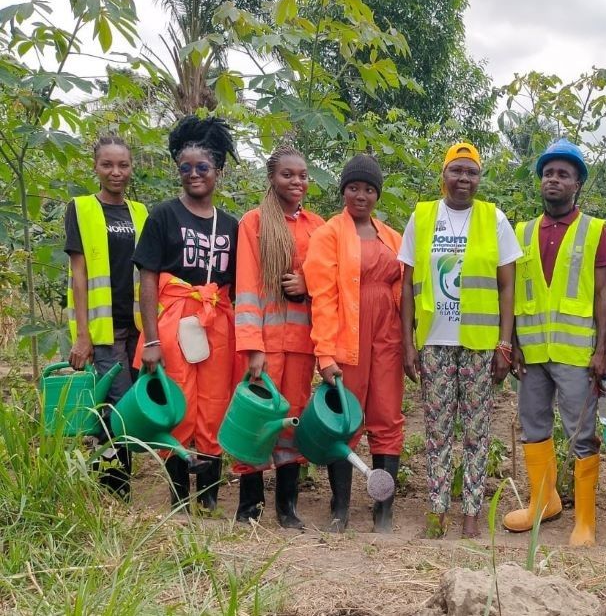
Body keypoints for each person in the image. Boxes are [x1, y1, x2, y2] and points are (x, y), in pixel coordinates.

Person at [399, 142, 519, 539]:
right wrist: (407, 343)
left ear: (479, 178)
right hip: (434, 341)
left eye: (471, 172)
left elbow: (507, 286)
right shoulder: (422, 216)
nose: (464, 179)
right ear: (444, 174)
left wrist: (505, 343)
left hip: (480, 345)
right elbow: (405, 286)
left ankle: (471, 513)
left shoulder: (494, 218)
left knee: (476, 431)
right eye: (457, 171)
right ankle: (436, 512)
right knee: (436, 430)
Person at [505, 138, 606, 548]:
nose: (554, 179)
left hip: (575, 353)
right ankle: (543, 502)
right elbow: (513, 292)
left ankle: (584, 519)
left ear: (577, 184)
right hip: (531, 352)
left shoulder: (595, 230)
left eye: (563, 174)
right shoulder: (523, 232)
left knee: (581, 433)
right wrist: (511, 342)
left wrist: (602, 350)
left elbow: (602, 293)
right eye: (548, 173)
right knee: (533, 426)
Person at [133, 115, 240, 513]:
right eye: (186, 168)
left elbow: (241, 285)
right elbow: (147, 278)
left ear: (218, 172)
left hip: (216, 322)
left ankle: (209, 497)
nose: (194, 175)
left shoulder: (230, 224)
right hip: (173, 320)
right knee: (177, 402)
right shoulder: (162, 216)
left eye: (203, 168)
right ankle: (179, 496)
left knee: (213, 403)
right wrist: (152, 339)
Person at [303, 154, 405, 534]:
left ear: (377, 193)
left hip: (388, 336)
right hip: (348, 336)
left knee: (388, 416)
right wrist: (325, 352)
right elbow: (323, 297)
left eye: (368, 189)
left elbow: (404, 289)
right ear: (343, 190)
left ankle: (384, 512)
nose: (360, 195)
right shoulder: (328, 234)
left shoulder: (391, 236)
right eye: (353, 187)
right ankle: (340, 507)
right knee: (345, 418)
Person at [234, 145, 325, 529]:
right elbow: (247, 287)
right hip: (265, 345)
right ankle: (249, 507)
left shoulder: (317, 227)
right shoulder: (253, 223)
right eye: (288, 174)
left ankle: (287, 509)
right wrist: (252, 347)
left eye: (303, 175)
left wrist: (307, 283)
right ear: (272, 177)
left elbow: (327, 283)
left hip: (301, 343)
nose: (297, 182)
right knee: (256, 421)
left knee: (292, 420)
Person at [65, 135, 148, 498]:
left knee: (116, 404)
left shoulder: (141, 212)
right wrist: (82, 335)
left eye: (123, 165)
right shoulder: (81, 208)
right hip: (102, 328)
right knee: (120, 403)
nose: (116, 172)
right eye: (108, 165)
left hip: (136, 326)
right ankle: (115, 489)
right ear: (95, 167)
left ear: (131, 168)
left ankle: (111, 483)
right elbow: (79, 274)